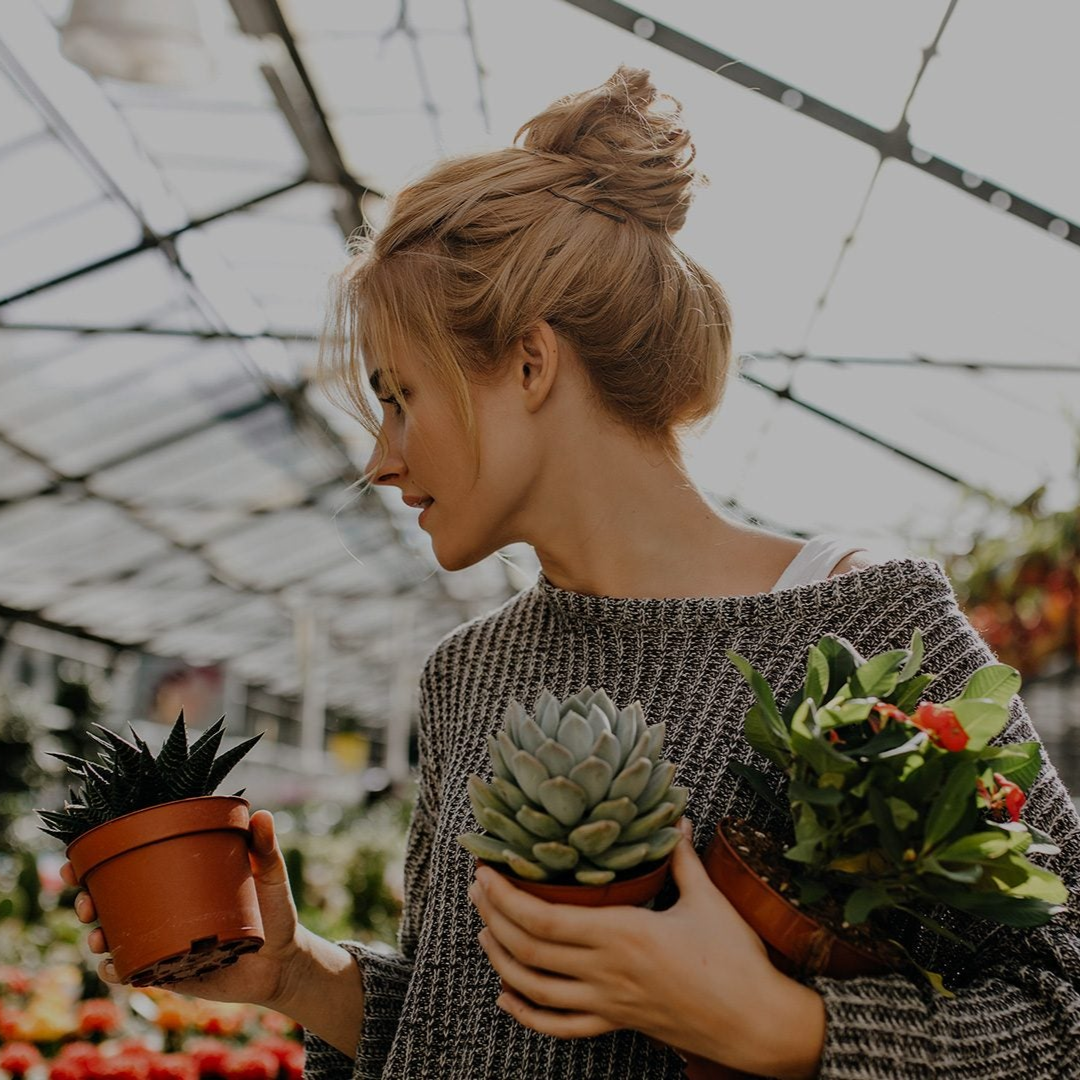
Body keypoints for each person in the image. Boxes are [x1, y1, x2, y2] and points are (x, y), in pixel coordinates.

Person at [62, 67, 1080, 1079]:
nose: (380, 457)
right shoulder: (466, 675)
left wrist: (782, 1030)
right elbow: (455, 1032)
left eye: (400, 396)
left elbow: (1063, 1011)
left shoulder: (866, 623)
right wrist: (295, 976)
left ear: (531, 364)